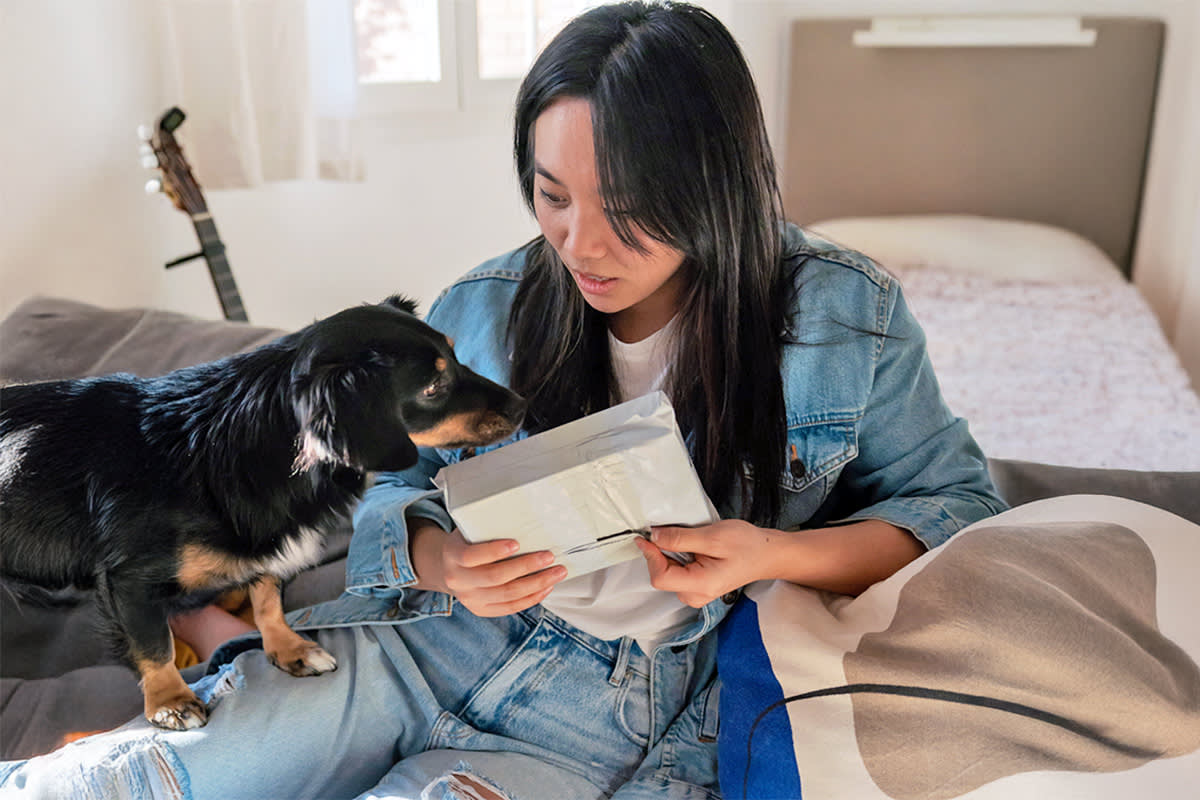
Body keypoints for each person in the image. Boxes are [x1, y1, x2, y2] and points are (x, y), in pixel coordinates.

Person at [0, 2, 1006, 798]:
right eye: (551, 194)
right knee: (105, 782)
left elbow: (956, 508)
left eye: (627, 210)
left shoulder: (845, 314)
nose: (580, 247)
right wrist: (445, 557)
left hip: (618, 703)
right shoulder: (482, 306)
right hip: (419, 643)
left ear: (717, 185)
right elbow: (395, 501)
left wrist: (775, 552)